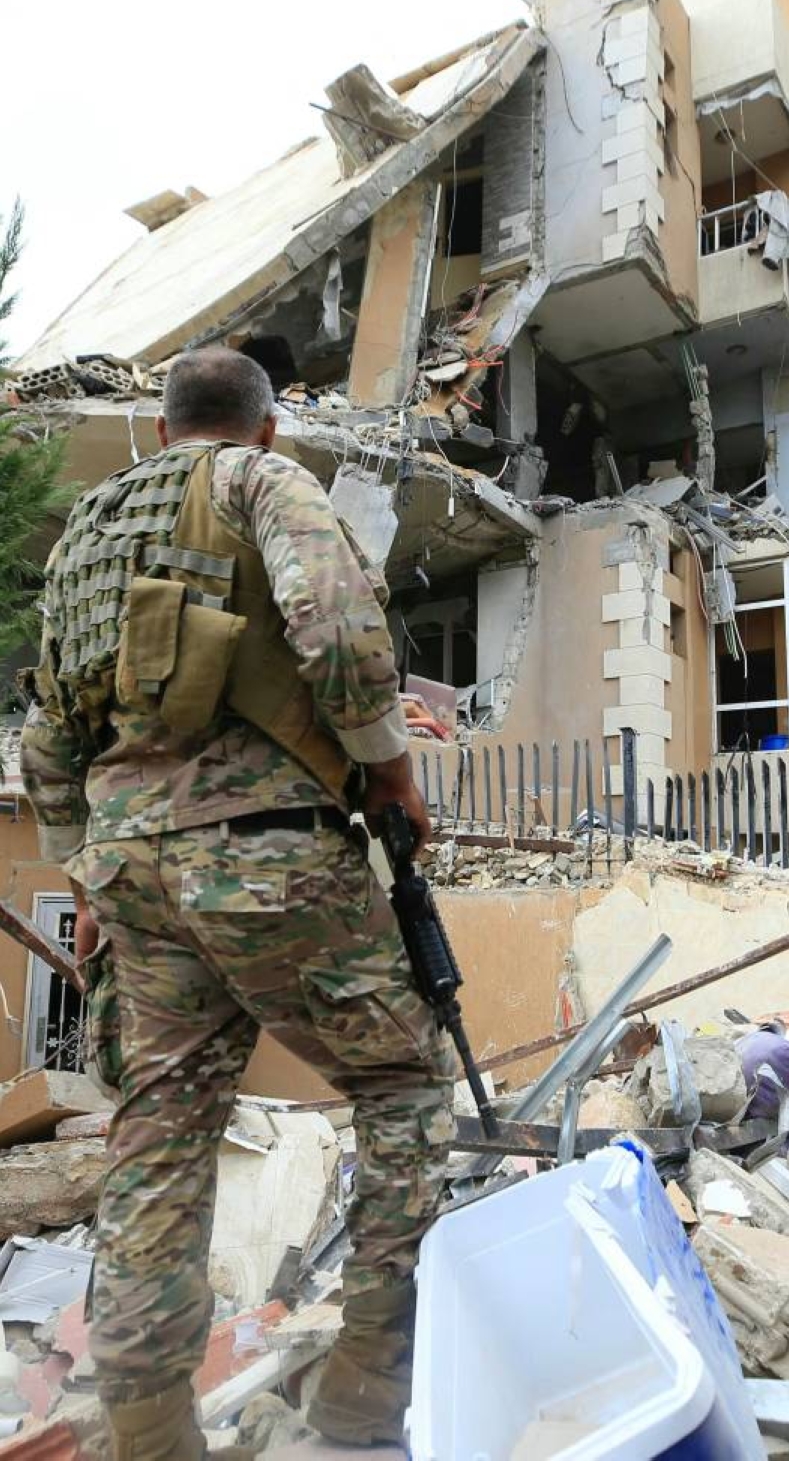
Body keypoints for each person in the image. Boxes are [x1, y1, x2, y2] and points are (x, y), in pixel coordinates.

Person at [20, 347, 455, 1460]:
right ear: (265, 427)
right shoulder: (264, 482)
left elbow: (46, 734)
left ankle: (152, 1437)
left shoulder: (85, 536)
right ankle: (363, 1400)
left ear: (162, 433)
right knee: (403, 1084)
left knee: (158, 1138)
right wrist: (390, 768)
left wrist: (91, 874)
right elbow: (343, 632)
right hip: (265, 855)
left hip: (131, 874)